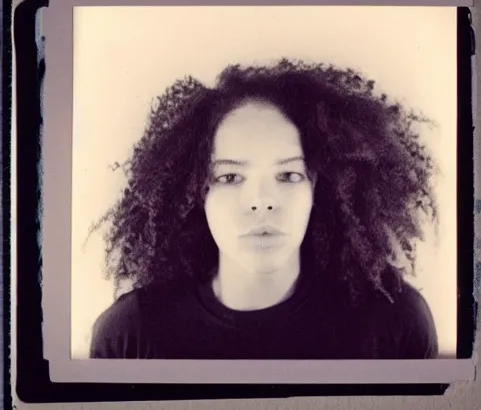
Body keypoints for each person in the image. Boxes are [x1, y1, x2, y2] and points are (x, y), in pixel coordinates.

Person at [88, 58, 439, 360]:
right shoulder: (131, 333)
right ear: (197, 193)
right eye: (229, 177)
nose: (261, 201)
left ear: (317, 188)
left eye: (287, 174)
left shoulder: (394, 321)